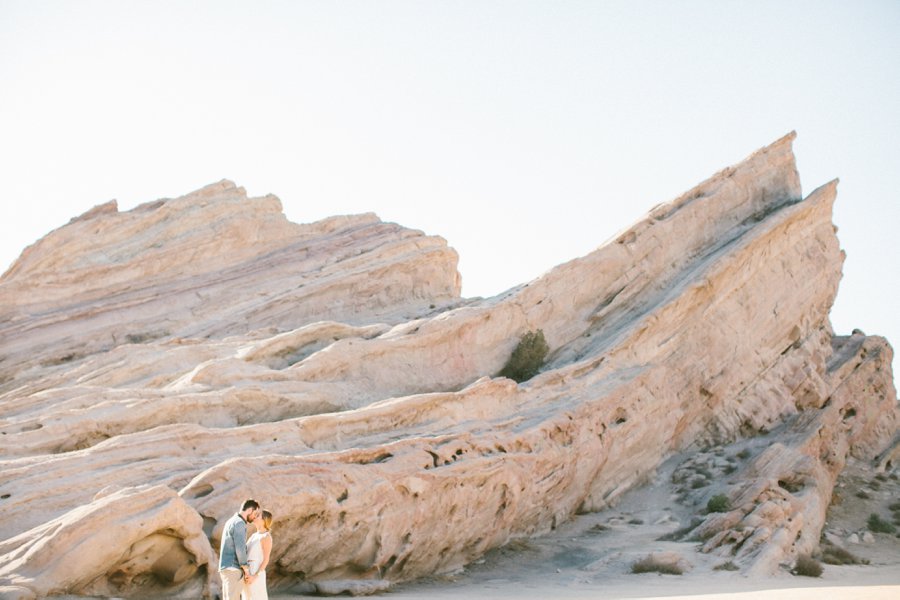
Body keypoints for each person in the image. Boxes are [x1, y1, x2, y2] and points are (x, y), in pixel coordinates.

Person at [218, 499, 261, 600]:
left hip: (226, 568)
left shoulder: (231, 520)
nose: (255, 517)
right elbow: (240, 548)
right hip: (233, 568)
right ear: (250, 510)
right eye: (255, 513)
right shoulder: (239, 523)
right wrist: (246, 570)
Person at [242, 509, 274, 600]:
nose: (255, 516)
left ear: (264, 520)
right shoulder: (253, 535)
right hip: (247, 571)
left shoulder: (266, 537)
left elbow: (266, 560)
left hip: (256, 571)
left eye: (258, 515)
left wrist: (255, 576)